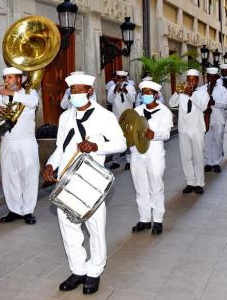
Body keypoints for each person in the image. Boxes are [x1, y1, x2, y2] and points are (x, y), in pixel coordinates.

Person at [43, 73, 126, 295]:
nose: (76, 95)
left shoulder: (104, 116)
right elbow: (61, 147)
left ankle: (94, 271)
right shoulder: (65, 117)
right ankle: (77, 269)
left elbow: (121, 144)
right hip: (67, 179)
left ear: (89, 91)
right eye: (73, 91)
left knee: (95, 227)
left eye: (80, 90)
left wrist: (96, 146)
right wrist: (51, 165)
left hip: (91, 178)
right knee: (68, 225)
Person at [0, 67, 40, 225]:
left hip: (26, 142)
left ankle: (28, 211)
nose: (6, 81)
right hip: (8, 142)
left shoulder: (30, 93)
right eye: (5, 78)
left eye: (9, 78)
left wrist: (13, 94)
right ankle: (14, 209)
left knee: (29, 176)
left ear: (18, 79)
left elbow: (33, 103)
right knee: (9, 176)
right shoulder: (0, 96)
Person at [129, 80, 173, 235]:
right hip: (137, 153)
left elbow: (166, 133)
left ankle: (158, 220)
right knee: (140, 186)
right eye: (143, 92)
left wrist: (154, 135)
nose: (146, 95)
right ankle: (144, 219)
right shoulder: (137, 110)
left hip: (154, 153)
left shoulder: (164, 112)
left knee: (156, 186)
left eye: (149, 93)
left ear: (156, 95)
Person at [168, 69, 210, 194]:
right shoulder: (181, 91)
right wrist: (177, 92)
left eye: (193, 79)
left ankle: (199, 183)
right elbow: (171, 103)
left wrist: (191, 94)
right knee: (186, 157)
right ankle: (190, 182)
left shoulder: (203, 93)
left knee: (198, 157)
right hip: (183, 129)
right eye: (189, 79)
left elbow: (203, 107)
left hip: (197, 129)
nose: (191, 82)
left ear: (197, 80)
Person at [201, 67, 227, 173]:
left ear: (217, 77)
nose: (211, 79)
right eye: (209, 77)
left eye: (213, 77)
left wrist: (214, 103)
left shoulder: (222, 89)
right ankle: (208, 162)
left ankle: (216, 163)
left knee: (218, 141)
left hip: (218, 119)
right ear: (207, 77)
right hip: (206, 119)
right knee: (207, 141)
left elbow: (226, 105)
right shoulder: (202, 89)